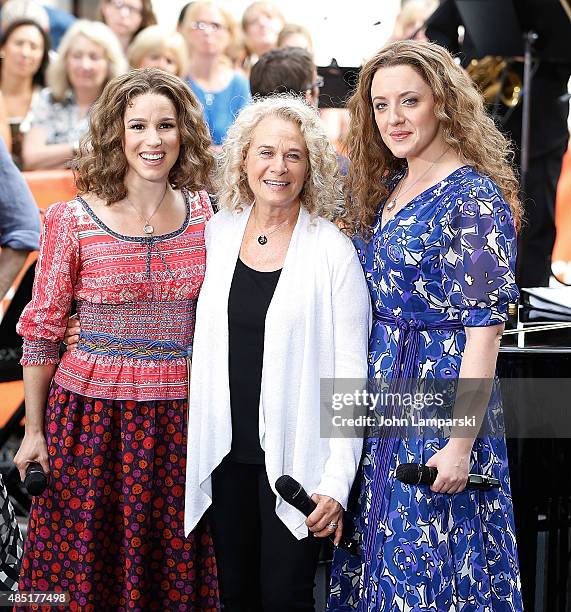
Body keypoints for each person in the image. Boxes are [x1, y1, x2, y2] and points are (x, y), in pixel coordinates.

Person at [328, 40, 523, 610]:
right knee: (381, 556)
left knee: (428, 561)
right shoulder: (392, 184)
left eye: (408, 101)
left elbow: (484, 332)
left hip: (440, 394)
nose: (394, 118)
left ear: (442, 102)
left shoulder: (473, 196)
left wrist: (460, 444)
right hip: (383, 387)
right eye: (380, 105)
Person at [14, 68, 219, 609]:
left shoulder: (208, 216)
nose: (153, 140)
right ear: (116, 134)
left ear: (184, 134)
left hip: (180, 421)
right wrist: (34, 432)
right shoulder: (71, 219)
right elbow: (42, 331)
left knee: (167, 567)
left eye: (166, 126)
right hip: (88, 421)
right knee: (81, 568)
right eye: (138, 126)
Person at [183, 96, 370, 610]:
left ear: (311, 167)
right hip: (224, 457)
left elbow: (352, 379)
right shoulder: (216, 234)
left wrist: (336, 479)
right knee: (235, 597)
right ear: (243, 159)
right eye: (265, 152)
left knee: (286, 598)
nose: (278, 167)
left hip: (299, 466)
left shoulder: (333, 249)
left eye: (293, 155)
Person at [22, 19, 127, 170]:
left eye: (94, 57)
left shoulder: (118, 106)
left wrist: (51, 159)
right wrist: (78, 148)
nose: (85, 65)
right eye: (77, 56)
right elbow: (31, 159)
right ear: (65, 60)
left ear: (109, 63)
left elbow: (112, 163)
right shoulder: (49, 98)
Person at [180, 1, 250, 149]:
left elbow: (247, 135)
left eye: (215, 25)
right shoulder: (178, 79)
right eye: (199, 25)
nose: (207, 31)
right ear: (186, 31)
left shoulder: (239, 83)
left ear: (229, 34)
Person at [0, 18, 50, 168]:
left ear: (42, 56)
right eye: (19, 43)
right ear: (2, 47)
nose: (25, 53)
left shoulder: (49, 99)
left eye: (34, 47)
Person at [240, 1, 284, 72]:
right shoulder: (240, 72)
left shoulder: (296, 62)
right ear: (245, 32)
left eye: (269, 17)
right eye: (254, 21)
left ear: (282, 23)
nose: (262, 23)